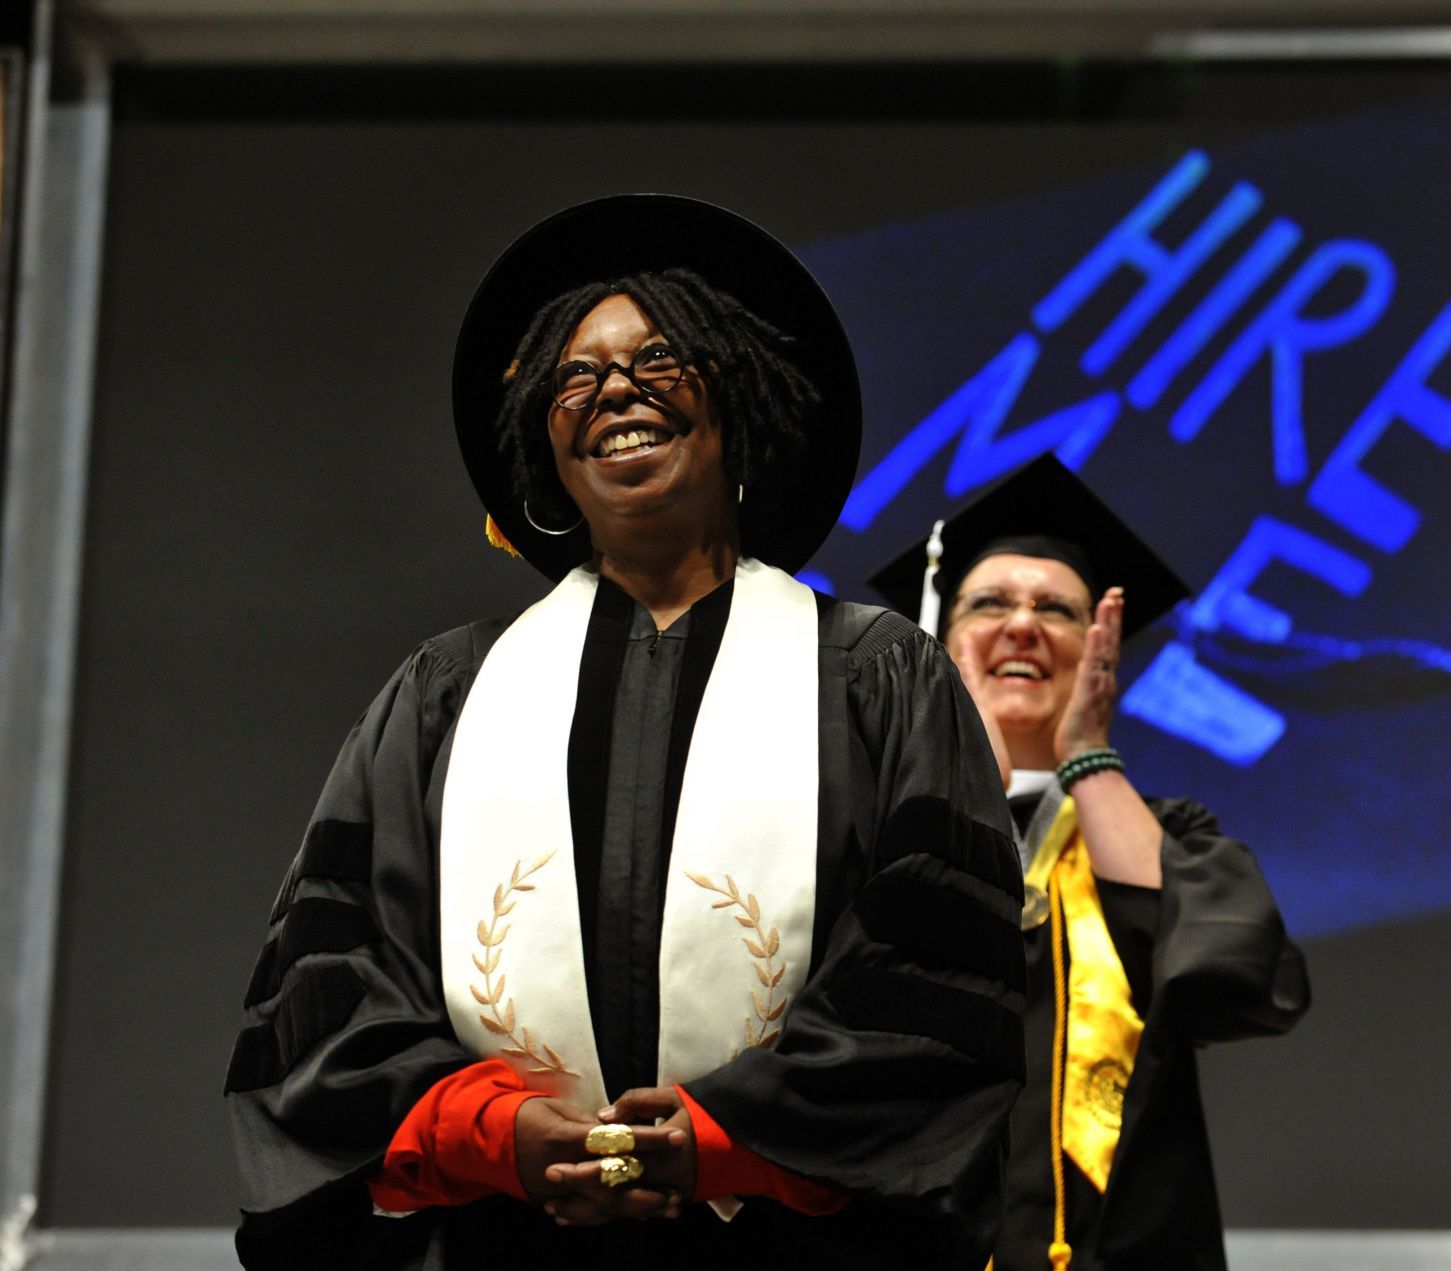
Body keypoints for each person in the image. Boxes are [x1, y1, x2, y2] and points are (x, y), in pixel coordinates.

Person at [225, 195, 1024, 1270]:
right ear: (544, 445)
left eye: (658, 360)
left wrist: (727, 1136)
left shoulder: (874, 678)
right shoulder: (446, 693)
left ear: (735, 400)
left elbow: (938, 979)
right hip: (511, 1241)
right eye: (574, 377)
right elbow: (331, 981)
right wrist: (490, 1128)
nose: (613, 391)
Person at [870, 455, 1310, 1271]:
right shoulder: (865, 830)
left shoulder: (1162, 834)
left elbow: (1248, 987)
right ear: (938, 637)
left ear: (1097, 647)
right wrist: (954, 777)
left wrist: (1088, 757)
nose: (1023, 625)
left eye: (1057, 609)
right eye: (990, 602)